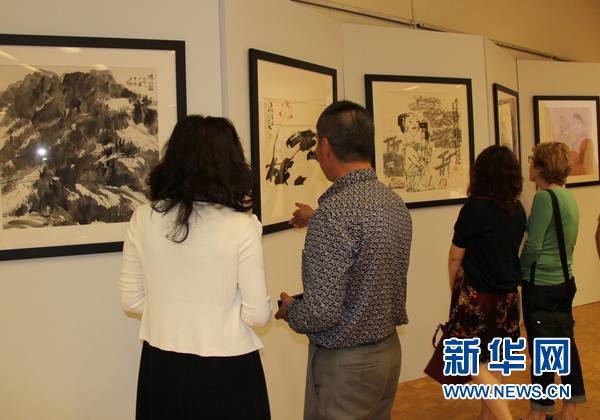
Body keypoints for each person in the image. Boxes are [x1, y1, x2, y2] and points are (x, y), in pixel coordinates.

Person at [119, 115, 272, 419]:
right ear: (230, 163)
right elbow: (258, 315)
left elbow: (131, 301)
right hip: (226, 369)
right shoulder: (241, 226)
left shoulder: (142, 217)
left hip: (160, 366)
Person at [277, 100, 412, 420]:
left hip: (347, 367)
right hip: (388, 354)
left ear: (325, 147)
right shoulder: (394, 204)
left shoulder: (334, 215)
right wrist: (317, 217)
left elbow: (321, 313)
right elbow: (366, 253)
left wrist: (290, 309)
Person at [447, 145, 526, 420]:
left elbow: (455, 257)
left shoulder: (474, 208)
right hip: (508, 297)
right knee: (493, 360)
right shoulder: (518, 210)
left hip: (476, 296)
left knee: (469, 361)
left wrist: (454, 289)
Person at [521, 142, 586, 420]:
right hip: (564, 282)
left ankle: (539, 412)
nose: (529, 164)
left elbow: (533, 246)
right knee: (565, 345)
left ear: (541, 167)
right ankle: (570, 409)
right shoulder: (568, 197)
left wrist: (519, 272)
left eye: (532, 159)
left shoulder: (544, 199)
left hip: (542, 285)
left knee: (542, 350)